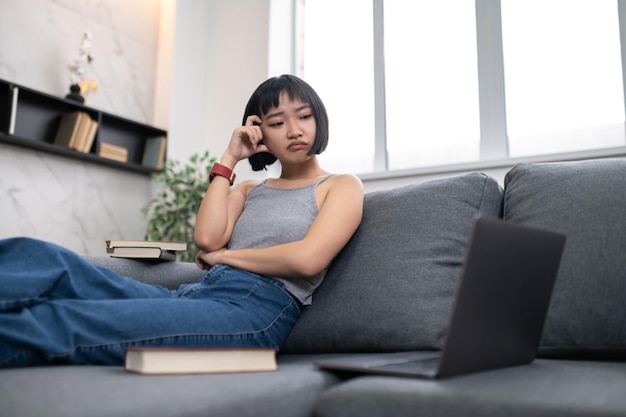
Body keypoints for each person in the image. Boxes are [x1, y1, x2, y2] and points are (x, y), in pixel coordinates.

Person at [0, 74, 364, 367]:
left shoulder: (341, 185)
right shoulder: (252, 190)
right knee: (42, 259)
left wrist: (226, 257)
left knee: (59, 320)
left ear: (318, 118)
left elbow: (307, 259)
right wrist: (230, 157)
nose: (294, 130)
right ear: (259, 131)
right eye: (277, 122)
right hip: (197, 295)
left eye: (304, 116)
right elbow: (207, 239)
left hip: (253, 313)